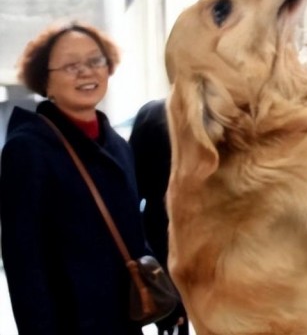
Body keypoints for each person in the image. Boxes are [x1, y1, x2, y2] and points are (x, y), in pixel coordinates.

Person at [0, 22, 146, 335]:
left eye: (95, 61)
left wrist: (165, 293)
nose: (86, 72)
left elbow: (133, 234)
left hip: (126, 320)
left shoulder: (118, 146)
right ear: (45, 82)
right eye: (71, 65)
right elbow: (24, 263)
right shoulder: (27, 148)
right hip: (69, 324)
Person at [129, 98, 188, 335]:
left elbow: (135, 186)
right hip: (185, 239)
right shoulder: (159, 114)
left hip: (164, 238)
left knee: (174, 321)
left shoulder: (153, 113)